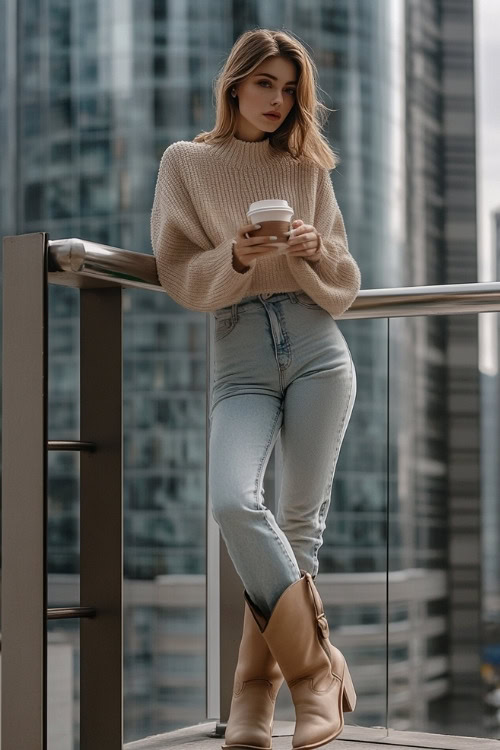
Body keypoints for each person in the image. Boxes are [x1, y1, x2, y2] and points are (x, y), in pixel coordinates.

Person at [151, 27, 361, 750]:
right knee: (233, 501)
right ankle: (317, 673)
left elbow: (342, 284)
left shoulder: (306, 169)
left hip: (315, 348)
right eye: (266, 83)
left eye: (290, 87)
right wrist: (234, 255)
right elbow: (178, 271)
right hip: (239, 350)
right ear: (235, 84)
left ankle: (252, 701)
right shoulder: (186, 162)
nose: (279, 99)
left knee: (299, 529)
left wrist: (313, 251)